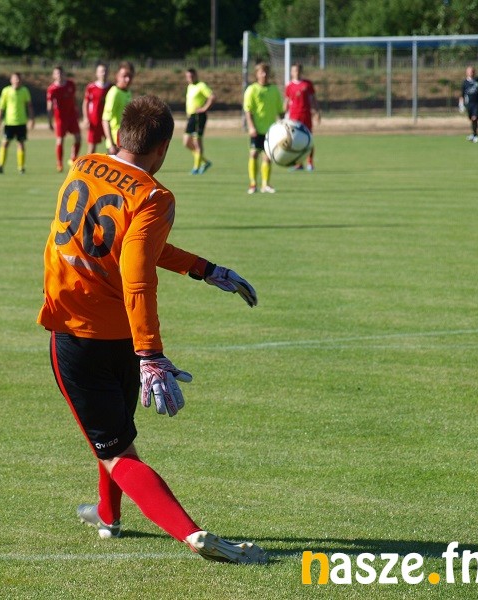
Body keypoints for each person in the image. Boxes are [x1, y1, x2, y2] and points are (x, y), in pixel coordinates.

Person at [37, 94, 267, 564]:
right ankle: (108, 516)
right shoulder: (154, 196)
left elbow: (134, 258)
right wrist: (149, 352)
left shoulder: (82, 165)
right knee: (116, 438)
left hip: (76, 336)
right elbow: (136, 266)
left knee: (116, 451)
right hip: (121, 337)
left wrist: (202, 268)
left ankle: (192, 534)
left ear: (118, 133)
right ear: (162, 148)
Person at [243, 62, 284, 195]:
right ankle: (253, 184)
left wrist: (284, 125)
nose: (264, 74)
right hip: (256, 129)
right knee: (254, 154)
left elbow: (280, 111)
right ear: (256, 74)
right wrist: (251, 127)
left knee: (267, 157)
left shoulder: (274, 90)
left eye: (266, 72)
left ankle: (265, 184)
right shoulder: (252, 89)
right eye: (261, 72)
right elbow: (248, 110)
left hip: (271, 131)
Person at [0, 72, 35, 174]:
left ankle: (21, 167)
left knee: (20, 144)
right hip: (9, 122)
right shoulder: (6, 91)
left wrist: (31, 119)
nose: (17, 81)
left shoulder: (24, 91)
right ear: (11, 80)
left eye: (19, 79)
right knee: (5, 143)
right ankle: (1, 165)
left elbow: (29, 106)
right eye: (15, 78)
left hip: (21, 122)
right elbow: (1, 106)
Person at [284, 63, 320, 171]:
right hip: (294, 117)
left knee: (309, 139)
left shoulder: (307, 84)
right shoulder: (289, 86)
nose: (297, 72)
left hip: (306, 115)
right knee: (295, 141)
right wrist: (282, 114)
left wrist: (317, 112)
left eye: (298, 70)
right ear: (291, 72)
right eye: (294, 70)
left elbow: (313, 99)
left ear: (301, 71)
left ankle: (310, 163)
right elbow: (286, 101)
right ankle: (298, 164)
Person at [47, 66, 81, 172]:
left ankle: (73, 158)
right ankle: (59, 163)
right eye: (57, 73)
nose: (59, 75)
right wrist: (49, 121)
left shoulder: (71, 84)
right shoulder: (52, 89)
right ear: (53, 75)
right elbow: (49, 106)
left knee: (78, 138)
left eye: (61, 73)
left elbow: (74, 98)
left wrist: (77, 111)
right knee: (60, 140)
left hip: (72, 116)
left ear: (64, 74)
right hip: (60, 118)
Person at [183, 68, 216, 175]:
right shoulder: (190, 87)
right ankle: (204, 162)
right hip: (191, 117)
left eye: (192, 76)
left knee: (197, 141)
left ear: (196, 75)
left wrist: (204, 108)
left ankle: (196, 167)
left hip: (198, 116)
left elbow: (212, 97)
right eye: (188, 76)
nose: (190, 78)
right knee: (186, 142)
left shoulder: (201, 85)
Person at [101, 61, 135, 155]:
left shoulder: (127, 92)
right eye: (124, 76)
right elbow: (105, 120)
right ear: (117, 76)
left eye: (130, 76)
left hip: (126, 140)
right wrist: (111, 144)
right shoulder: (114, 93)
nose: (127, 79)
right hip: (115, 143)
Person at [82, 63, 111, 154]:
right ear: (97, 73)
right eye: (101, 71)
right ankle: (88, 163)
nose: (104, 73)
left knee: (111, 147)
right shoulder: (91, 87)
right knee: (91, 148)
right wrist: (86, 118)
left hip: (108, 120)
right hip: (94, 121)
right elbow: (85, 103)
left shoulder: (112, 87)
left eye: (105, 71)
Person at [459, 65, 478, 143]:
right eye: (469, 71)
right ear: (466, 72)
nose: (471, 73)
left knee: (474, 118)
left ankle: (475, 135)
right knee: (472, 119)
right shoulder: (465, 83)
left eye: (472, 71)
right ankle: (474, 134)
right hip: (469, 104)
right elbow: (462, 94)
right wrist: (461, 105)